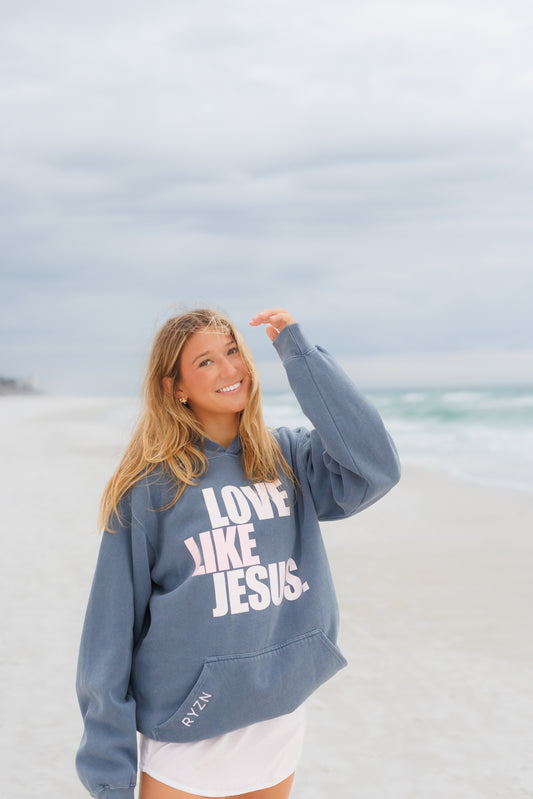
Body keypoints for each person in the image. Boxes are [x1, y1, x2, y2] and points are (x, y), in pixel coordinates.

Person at [76, 307, 400, 799]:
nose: (230, 370)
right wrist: (109, 779)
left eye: (233, 352)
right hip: (187, 734)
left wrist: (300, 355)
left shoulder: (288, 459)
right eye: (205, 361)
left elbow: (375, 465)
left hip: (276, 721)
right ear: (175, 387)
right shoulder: (150, 490)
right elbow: (109, 636)